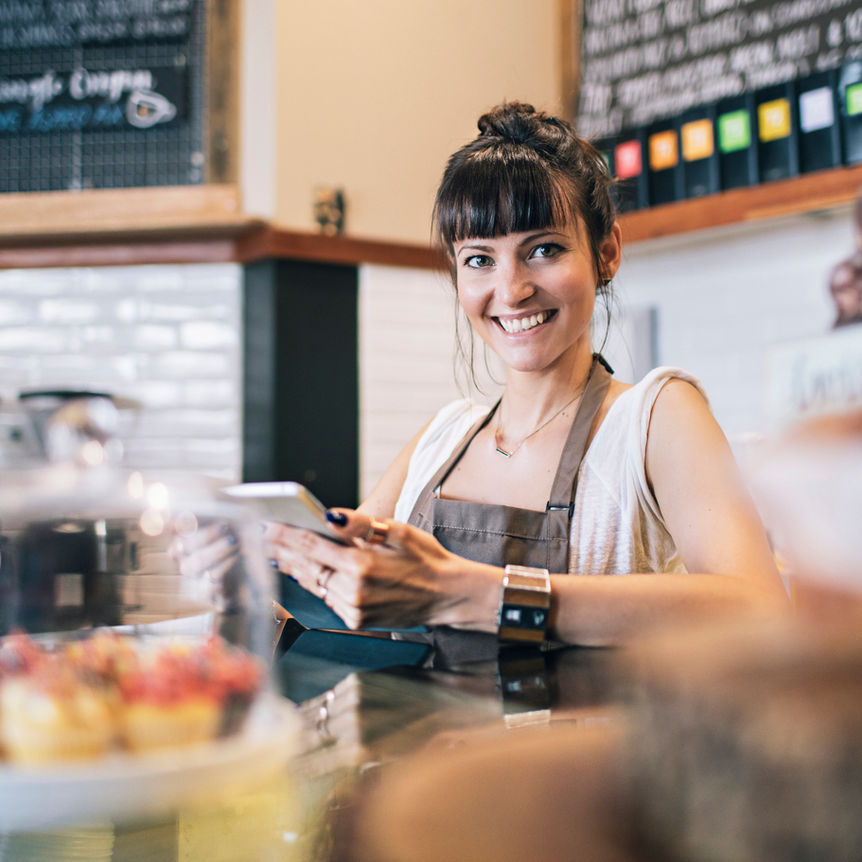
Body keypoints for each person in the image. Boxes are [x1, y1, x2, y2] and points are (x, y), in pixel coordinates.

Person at [265, 101, 786, 650]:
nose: (511, 290)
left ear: (606, 253)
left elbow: (759, 610)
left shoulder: (656, 417)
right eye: (479, 259)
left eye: (543, 250)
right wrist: (250, 581)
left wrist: (465, 593)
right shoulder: (444, 436)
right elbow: (348, 600)